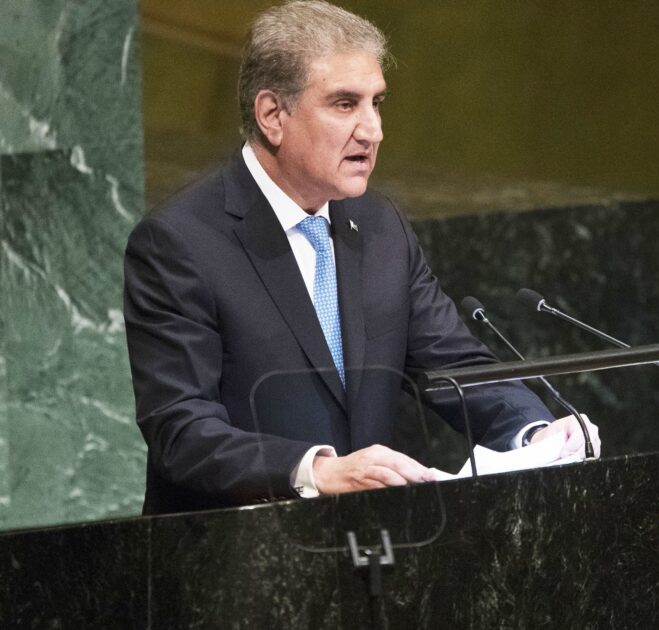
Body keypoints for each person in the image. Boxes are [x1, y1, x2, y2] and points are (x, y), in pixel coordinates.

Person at [123, 0, 599, 515]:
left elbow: (455, 365)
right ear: (271, 115)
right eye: (345, 104)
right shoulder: (180, 243)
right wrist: (317, 470)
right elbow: (182, 430)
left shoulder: (379, 227)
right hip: (234, 561)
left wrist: (536, 430)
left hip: (372, 553)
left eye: (377, 103)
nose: (373, 130)